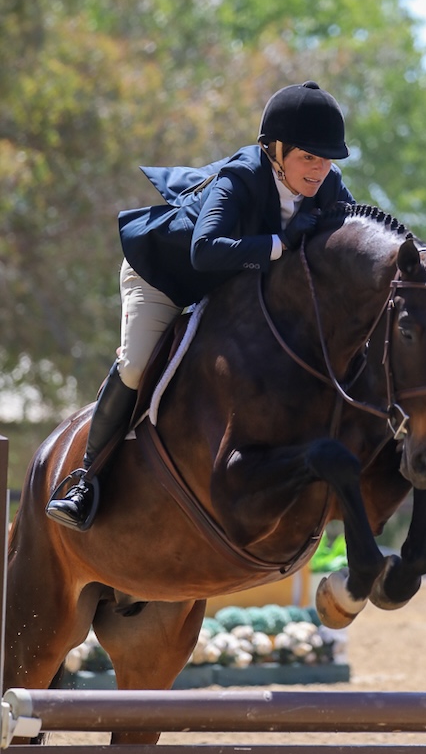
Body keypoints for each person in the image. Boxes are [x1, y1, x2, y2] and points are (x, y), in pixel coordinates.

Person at [46, 80, 355, 531]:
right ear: (276, 150)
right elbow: (204, 250)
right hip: (165, 278)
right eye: (309, 157)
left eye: (327, 159)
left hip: (227, 287)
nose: (319, 171)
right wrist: (279, 243)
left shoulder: (328, 184)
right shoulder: (241, 177)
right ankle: (85, 480)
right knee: (136, 366)